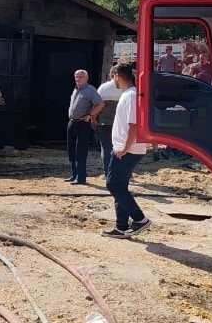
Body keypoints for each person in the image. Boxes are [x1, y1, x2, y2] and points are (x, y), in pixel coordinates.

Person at [102, 63, 152, 239]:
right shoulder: (128, 94)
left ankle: (139, 219)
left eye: (112, 77)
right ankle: (121, 226)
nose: (112, 80)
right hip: (125, 149)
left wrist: (125, 148)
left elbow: (133, 125)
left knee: (113, 184)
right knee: (120, 187)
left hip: (128, 150)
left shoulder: (131, 95)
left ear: (117, 75)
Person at [65, 69, 103, 185]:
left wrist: (90, 115)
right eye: (76, 77)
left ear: (86, 78)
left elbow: (100, 104)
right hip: (72, 122)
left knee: (80, 150)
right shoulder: (76, 89)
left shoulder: (90, 90)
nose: (78, 79)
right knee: (71, 149)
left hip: (83, 123)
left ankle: (81, 177)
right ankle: (74, 174)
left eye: (80, 77)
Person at [96, 65, 123, 177]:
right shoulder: (124, 88)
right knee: (121, 148)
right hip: (120, 124)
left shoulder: (103, 87)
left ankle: (108, 172)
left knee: (106, 148)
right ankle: (121, 171)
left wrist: (93, 119)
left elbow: (97, 105)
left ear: (110, 75)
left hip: (105, 122)